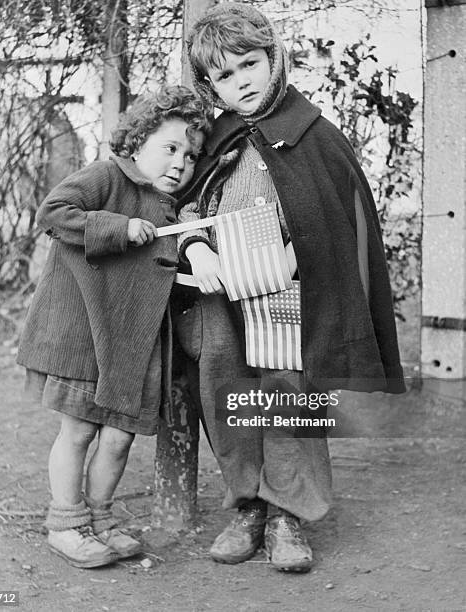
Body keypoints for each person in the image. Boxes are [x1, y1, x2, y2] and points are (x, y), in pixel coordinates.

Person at [175, 3, 406, 573]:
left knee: (284, 394)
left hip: (288, 296)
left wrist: (293, 252)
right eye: (224, 76)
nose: (241, 82)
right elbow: (183, 206)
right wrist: (195, 246)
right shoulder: (216, 140)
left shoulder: (314, 135)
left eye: (249, 64)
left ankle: (287, 513)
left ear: (274, 57)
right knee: (227, 390)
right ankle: (247, 504)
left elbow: (335, 216)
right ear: (212, 86)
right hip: (221, 295)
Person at [17, 85, 211, 568]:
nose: (179, 163)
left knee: (120, 440)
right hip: (84, 334)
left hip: (132, 348)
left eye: (190, 156)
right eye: (170, 147)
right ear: (137, 141)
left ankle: (100, 517)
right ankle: (65, 522)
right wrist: (117, 227)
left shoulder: (174, 209)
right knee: (78, 432)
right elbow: (54, 212)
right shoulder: (107, 176)